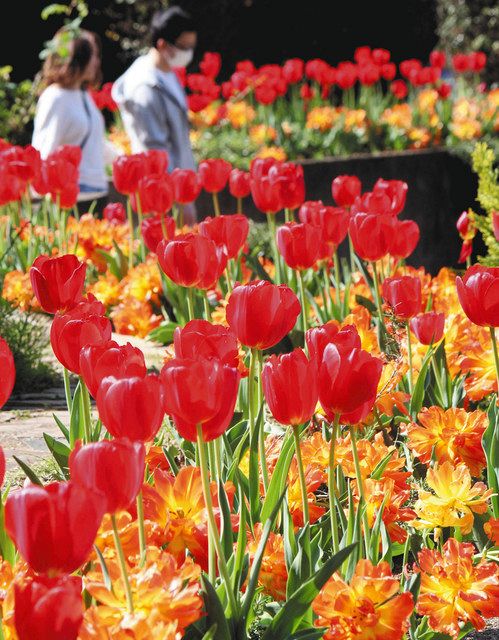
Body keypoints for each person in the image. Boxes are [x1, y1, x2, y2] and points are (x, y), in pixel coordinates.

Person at [32, 28, 115, 205]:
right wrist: (36, 198)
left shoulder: (84, 94)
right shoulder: (55, 97)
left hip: (98, 192)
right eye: (93, 55)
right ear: (77, 58)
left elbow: (96, 144)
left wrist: (126, 159)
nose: (96, 62)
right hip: (72, 198)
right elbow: (44, 149)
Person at [112, 6, 197, 172]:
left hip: (181, 182)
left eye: (192, 47)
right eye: (184, 47)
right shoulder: (144, 87)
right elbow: (153, 151)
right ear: (162, 44)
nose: (189, 53)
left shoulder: (168, 73)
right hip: (163, 188)